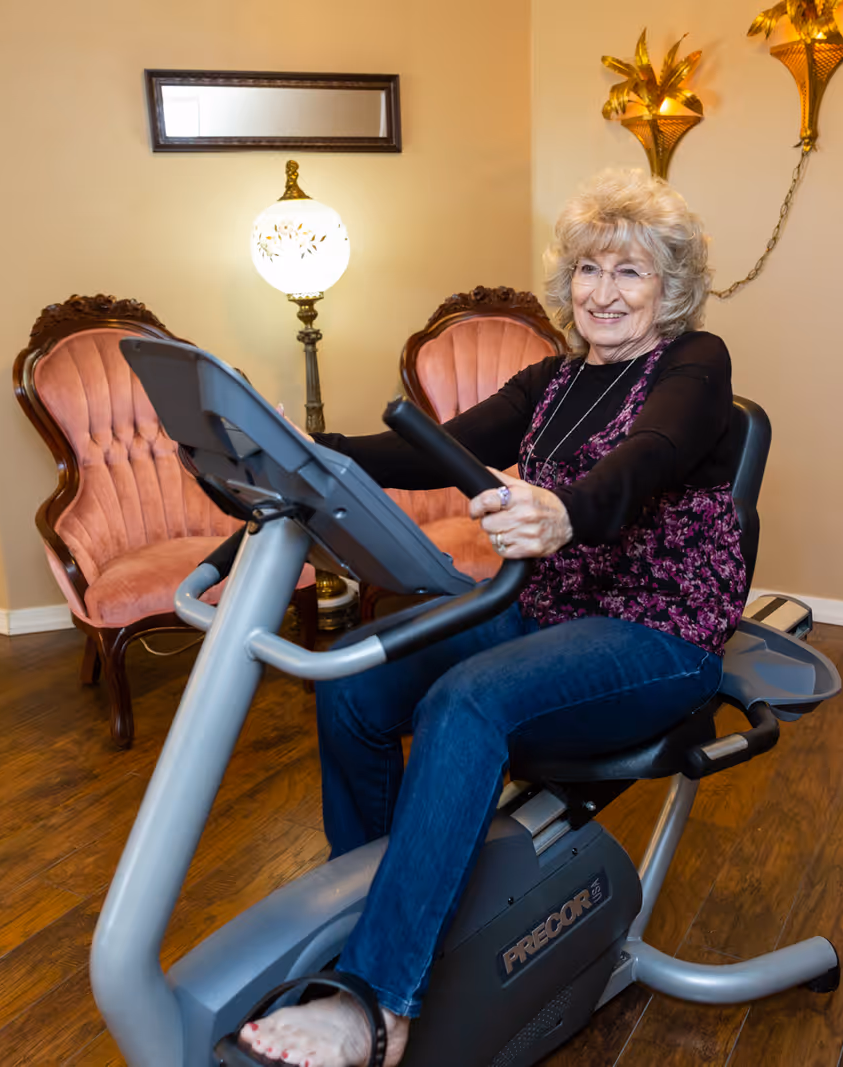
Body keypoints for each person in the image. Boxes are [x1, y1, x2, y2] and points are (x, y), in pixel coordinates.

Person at [237, 168, 746, 1067]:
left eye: (630, 272)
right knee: (353, 678)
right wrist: (302, 452)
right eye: (589, 270)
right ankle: (374, 914)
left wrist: (566, 511)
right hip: (549, 615)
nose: (603, 291)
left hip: (656, 633)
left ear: (670, 288)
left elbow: (649, 455)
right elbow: (430, 447)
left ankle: (378, 1000)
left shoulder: (696, 364)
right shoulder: (552, 379)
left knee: (465, 701)